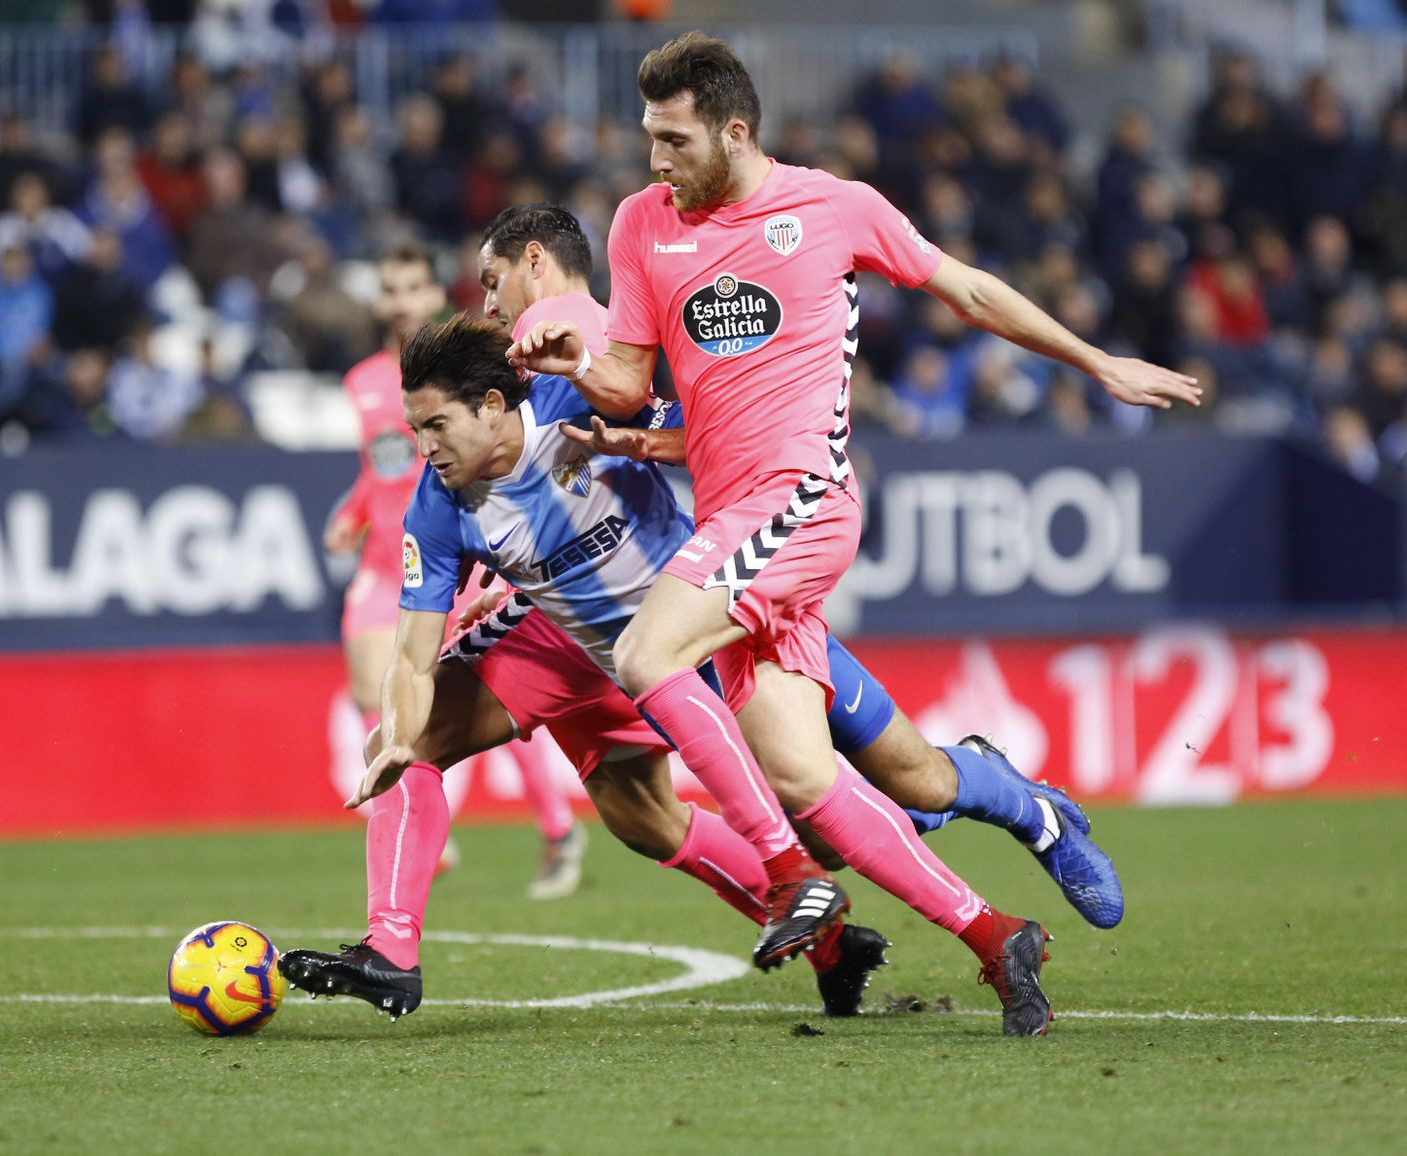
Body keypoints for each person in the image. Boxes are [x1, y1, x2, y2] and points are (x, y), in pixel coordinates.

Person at [507, 34, 1199, 1031]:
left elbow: (963, 288)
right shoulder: (640, 224)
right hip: (729, 518)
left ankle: (789, 876)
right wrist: (575, 359)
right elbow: (627, 378)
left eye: (672, 138)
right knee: (808, 774)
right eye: (646, 138)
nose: (654, 160)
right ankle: (1004, 912)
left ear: (733, 130)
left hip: (799, 502)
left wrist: (1097, 363)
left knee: (646, 649)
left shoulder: (833, 207)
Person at [280, 316, 1056, 1035]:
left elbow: (707, 434)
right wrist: (396, 741)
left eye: (435, 426)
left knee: (832, 804)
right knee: (428, 747)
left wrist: (649, 442)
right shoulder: (439, 505)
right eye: (414, 429)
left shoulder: (574, 403)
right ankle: (391, 951)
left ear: (491, 405)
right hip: (573, 647)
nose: (423, 447)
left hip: (694, 636)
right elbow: (414, 656)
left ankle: (990, 930)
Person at [482, 202, 1123, 930]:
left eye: (491, 280)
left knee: (854, 802)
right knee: (865, 807)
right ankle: (1009, 796)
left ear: (535, 261)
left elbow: (624, 397)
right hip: (719, 587)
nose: (487, 302)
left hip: (716, 595)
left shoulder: (579, 332)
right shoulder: (538, 376)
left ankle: (1024, 829)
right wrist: (634, 444)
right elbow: (661, 443)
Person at [326, 244, 587, 900]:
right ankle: (399, 810)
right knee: (370, 687)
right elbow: (380, 469)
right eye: (391, 289)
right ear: (380, 299)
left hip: (458, 555)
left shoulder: (464, 375)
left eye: (414, 287)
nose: (403, 301)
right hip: (385, 561)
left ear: (432, 294)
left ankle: (557, 826)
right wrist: (353, 513)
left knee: (484, 691)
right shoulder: (362, 382)